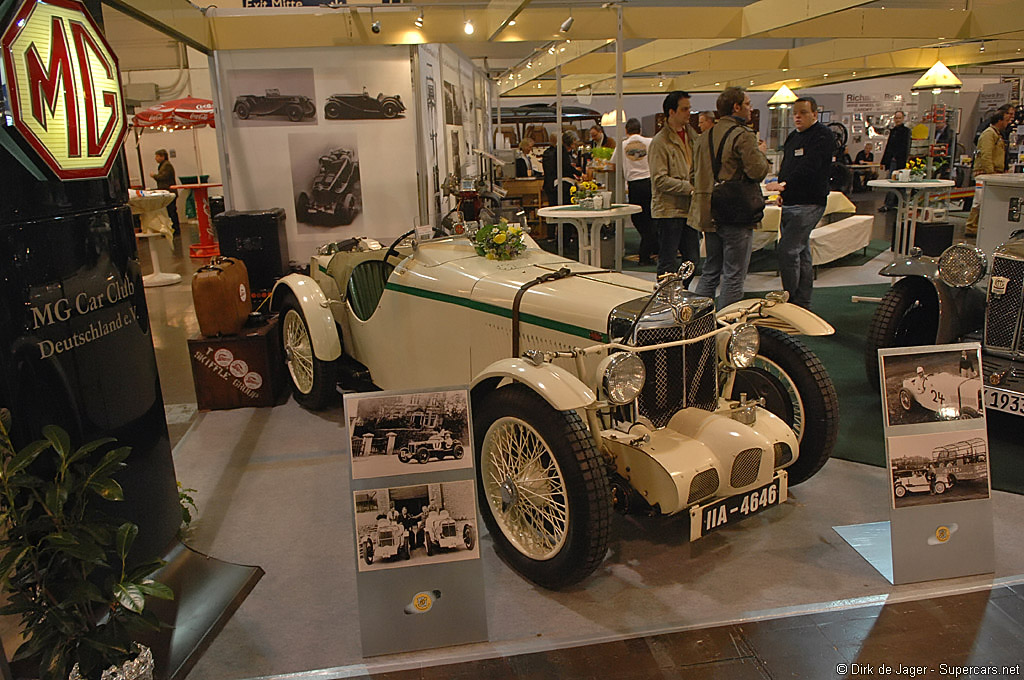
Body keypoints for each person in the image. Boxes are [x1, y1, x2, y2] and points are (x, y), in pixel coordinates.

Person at [692, 87, 769, 308]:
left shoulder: (703, 137)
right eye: (747, 103)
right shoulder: (742, 135)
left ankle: (696, 324)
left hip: (709, 210)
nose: (750, 108)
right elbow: (757, 171)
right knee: (734, 275)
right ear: (736, 107)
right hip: (736, 212)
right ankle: (726, 329)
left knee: (710, 270)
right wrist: (761, 154)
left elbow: (692, 175)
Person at [772, 96, 834, 310]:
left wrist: (786, 184)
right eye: (795, 113)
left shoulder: (823, 136)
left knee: (787, 250)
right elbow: (787, 165)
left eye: (803, 112)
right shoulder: (792, 138)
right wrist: (782, 189)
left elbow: (811, 166)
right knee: (801, 251)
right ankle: (803, 302)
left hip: (810, 203)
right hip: (790, 201)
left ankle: (791, 300)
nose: (798, 116)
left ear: (814, 114)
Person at [649, 91, 699, 283]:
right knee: (668, 263)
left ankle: (680, 295)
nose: (688, 113)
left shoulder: (692, 137)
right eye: (684, 109)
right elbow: (659, 180)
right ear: (671, 112)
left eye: (689, 108)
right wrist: (690, 187)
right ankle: (665, 301)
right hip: (668, 210)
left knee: (692, 261)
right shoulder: (660, 142)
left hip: (689, 209)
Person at [615, 118, 656, 265]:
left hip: (634, 185)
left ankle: (645, 254)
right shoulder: (649, 142)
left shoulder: (622, 145)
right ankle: (650, 249)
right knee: (650, 218)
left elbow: (614, 164)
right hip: (649, 183)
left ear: (626, 131)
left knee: (637, 219)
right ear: (640, 130)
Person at [966, 109, 1012, 235]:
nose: (1008, 123)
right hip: (984, 174)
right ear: (999, 120)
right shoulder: (989, 134)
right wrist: (990, 174)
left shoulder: (997, 134)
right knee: (979, 200)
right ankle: (971, 226)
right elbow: (986, 154)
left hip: (992, 173)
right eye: (1006, 120)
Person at [878, 111, 910, 212]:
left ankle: (901, 204)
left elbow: (905, 147)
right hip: (892, 160)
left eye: (899, 118)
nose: (897, 120)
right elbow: (889, 147)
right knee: (891, 182)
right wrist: (884, 161)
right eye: (896, 118)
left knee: (900, 183)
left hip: (900, 161)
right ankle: (890, 204)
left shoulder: (906, 131)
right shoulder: (893, 131)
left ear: (903, 118)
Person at [542, 130, 581, 206]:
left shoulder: (552, 152)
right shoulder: (561, 151)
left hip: (551, 185)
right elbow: (566, 167)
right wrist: (579, 173)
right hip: (561, 186)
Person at [150, 149, 179, 234]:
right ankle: (172, 229)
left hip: (169, 192)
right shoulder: (164, 165)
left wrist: (154, 176)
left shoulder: (166, 165)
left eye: (157, 156)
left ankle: (175, 229)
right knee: (170, 211)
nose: (155, 158)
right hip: (168, 192)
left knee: (171, 211)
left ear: (162, 156)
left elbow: (163, 177)